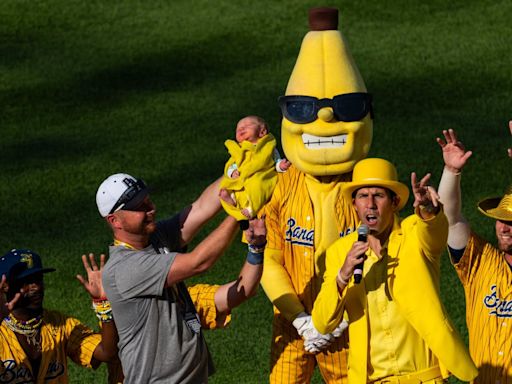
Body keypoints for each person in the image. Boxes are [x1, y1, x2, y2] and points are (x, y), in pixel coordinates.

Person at [311, 158, 478, 383]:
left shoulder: (413, 233)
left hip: (425, 379)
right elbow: (322, 323)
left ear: (394, 202)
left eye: (378, 195)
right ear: (354, 205)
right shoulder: (340, 253)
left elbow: (435, 233)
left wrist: (428, 209)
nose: (370, 203)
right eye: (362, 196)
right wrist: (343, 275)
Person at [95, 173, 266, 384]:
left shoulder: (155, 238)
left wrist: (239, 167)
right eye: (138, 206)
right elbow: (198, 262)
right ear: (115, 221)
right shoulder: (124, 269)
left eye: (146, 199)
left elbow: (202, 208)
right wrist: (239, 214)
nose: (150, 208)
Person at [437, 125, 512, 382]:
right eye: (501, 219)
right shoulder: (480, 262)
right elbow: (451, 219)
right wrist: (451, 171)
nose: (505, 228)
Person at [0, 249, 118, 383]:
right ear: (5, 286)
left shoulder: (60, 324)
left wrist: (102, 304)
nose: (36, 287)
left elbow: (107, 352)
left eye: (38, 280)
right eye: (26, 281)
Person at [219, 115, 290, 221]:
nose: (241, 129)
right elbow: (232, 164)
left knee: (258, 186)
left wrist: (281, 166)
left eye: (247, 126)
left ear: (262, 132)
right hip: (241, 177)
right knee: (227, 185)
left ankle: (251, 209)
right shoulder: (239, 149)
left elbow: (275, 162)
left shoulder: (268, 148)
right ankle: (232, 199)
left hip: (260, 176)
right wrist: (232, 172)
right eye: (238, 129)